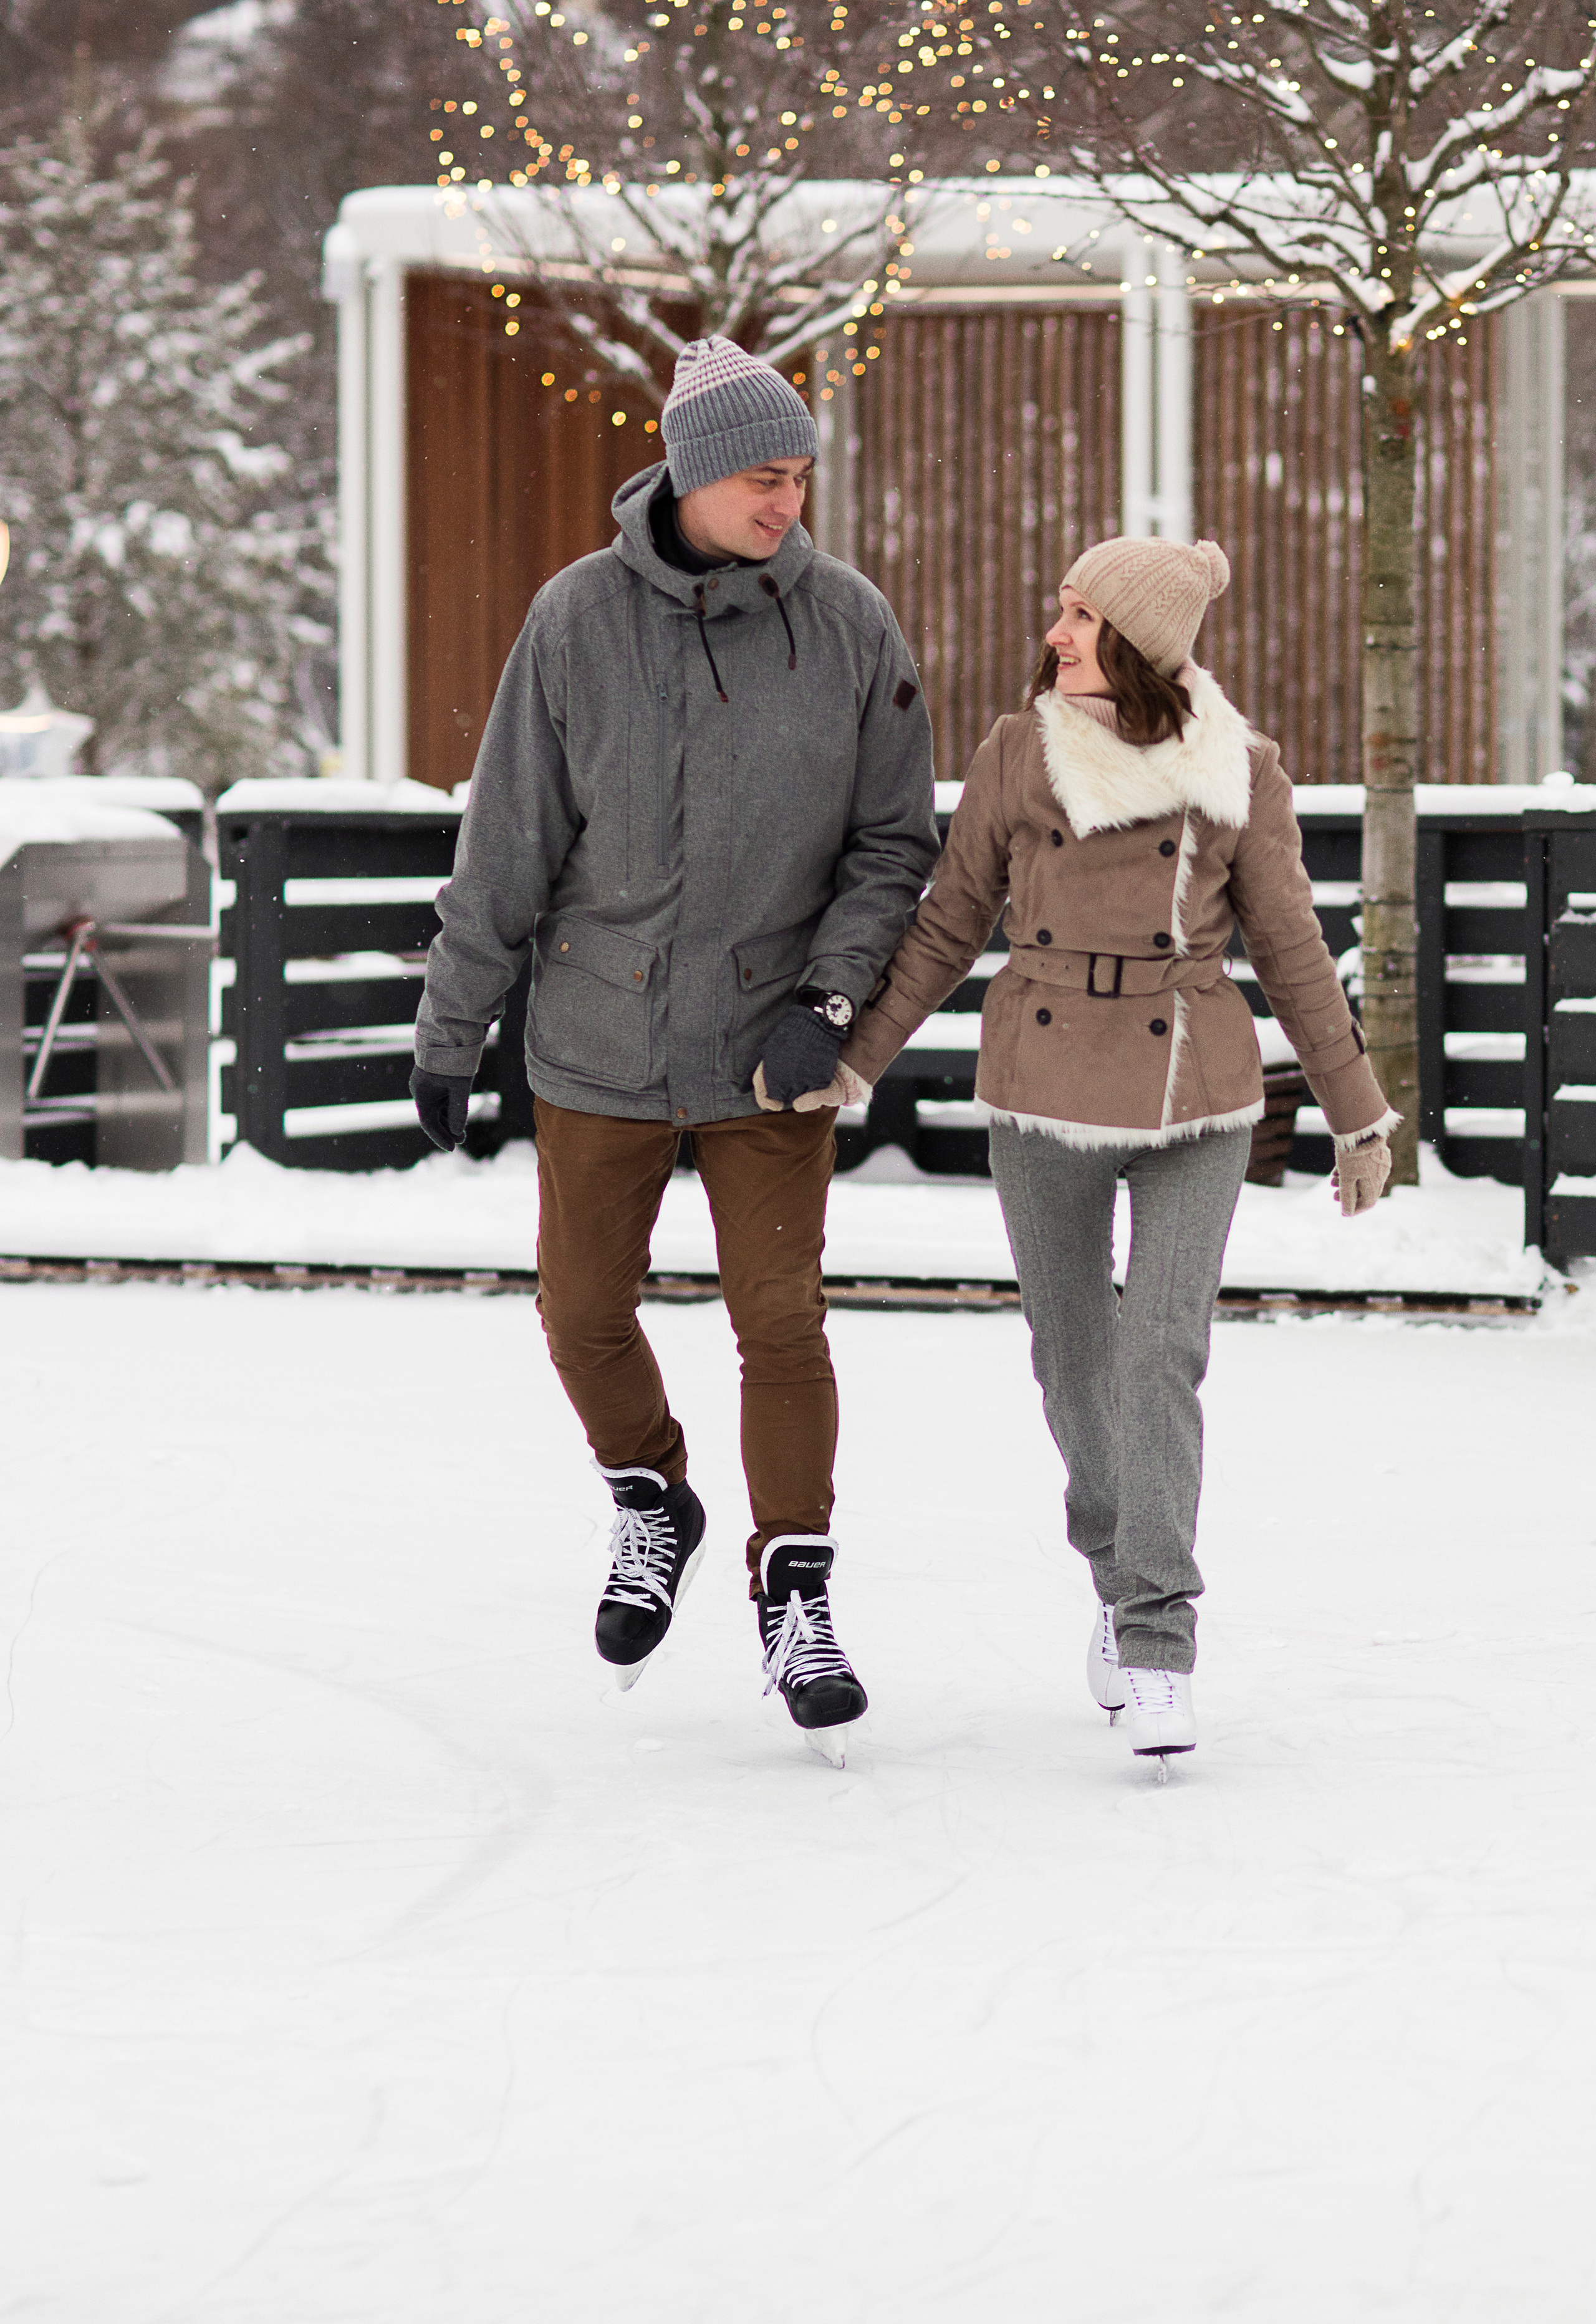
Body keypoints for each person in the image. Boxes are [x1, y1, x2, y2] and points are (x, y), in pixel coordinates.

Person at [409, 335, 938, 1763]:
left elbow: (896, 846)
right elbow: (507, 838)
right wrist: (452, 1025)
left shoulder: (846, 625)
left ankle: (795, 1586)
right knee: (581, 1311)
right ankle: (653, 1494)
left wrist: (825, 1003)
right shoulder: (574, 622)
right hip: (598, 1035)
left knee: (781, 1321)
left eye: (799, 475)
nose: (789, 502)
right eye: (764, 478)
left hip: (772, 1049)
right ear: (697, 479)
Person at [794, 536, 1396, 1769]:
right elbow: (947, 924)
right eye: (1059, 609)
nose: (1053, 632)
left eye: (1078, 616)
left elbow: (1286, 949)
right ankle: (1116, 1561)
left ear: (1136, 640)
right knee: (1073, 1357)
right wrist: (854, 1057)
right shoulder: (1016, 753)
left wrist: (1356, 1111)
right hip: (1039, 1079)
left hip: (1194, 1091)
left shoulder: (1240, 771)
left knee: (1159, 1352)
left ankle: (1156, 1635)